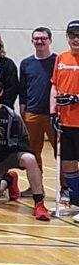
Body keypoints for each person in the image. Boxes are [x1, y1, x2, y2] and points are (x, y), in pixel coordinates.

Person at [0, 77, 49, 219]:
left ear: (1, 92)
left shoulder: (11, 114)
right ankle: (9, 180)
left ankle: (39, 203)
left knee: (30, 159)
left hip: (9, 156)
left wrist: (18, 149)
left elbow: (24, 137)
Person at [19, 27, 57, 176]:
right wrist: (22, 109)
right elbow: (22, 88)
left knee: (60, 151)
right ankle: (36, 187)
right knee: (33, 151)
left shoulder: (57, 61)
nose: (40, 41)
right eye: (37, 38)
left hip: (53, 114)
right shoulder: (26, 63)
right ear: (32, 41)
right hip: (31, 113)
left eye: (43, 38)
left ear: (50, 40)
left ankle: (65, 187)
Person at [51, 20, 79, 210]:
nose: (76, 39)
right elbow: (54, 85)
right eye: (72, 35)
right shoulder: (61, 58)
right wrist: (53, 112)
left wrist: (76, 97)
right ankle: (76, 201)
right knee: (68, 163)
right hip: (66, 121)